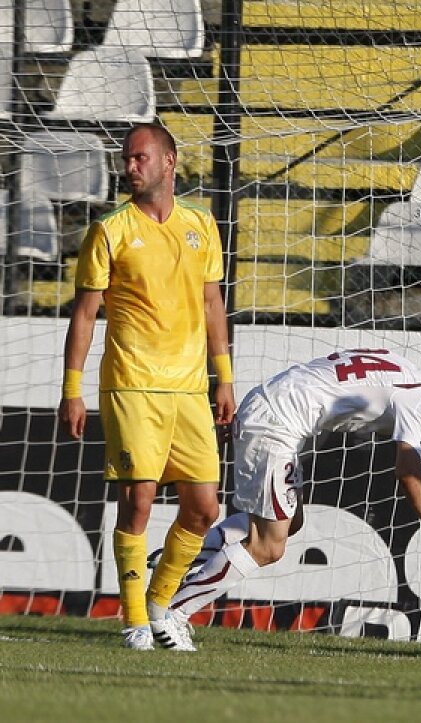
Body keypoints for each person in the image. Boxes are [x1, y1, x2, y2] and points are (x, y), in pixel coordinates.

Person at [164, 349, 421, 646]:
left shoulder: (402, 369)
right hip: (277, 425)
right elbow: (408, 472)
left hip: (271, 408)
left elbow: (322, 373)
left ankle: (181, 561)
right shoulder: (419, 398)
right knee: (268, 546)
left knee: (290, 522)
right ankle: (172, 613)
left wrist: (256, 413)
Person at [57, 123, 236, 651]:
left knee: (204, 509)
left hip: (189, 389)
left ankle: (161, 605)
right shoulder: (110, 230)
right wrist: (72, 388)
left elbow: (212, 304)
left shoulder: (201, 224)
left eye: (139, 158)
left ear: (169, 162)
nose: (129, 167)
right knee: (138, 500)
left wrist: (224, 378)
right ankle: (135, 620)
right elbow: (85, 315)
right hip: (132, 385)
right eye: (126, 159)